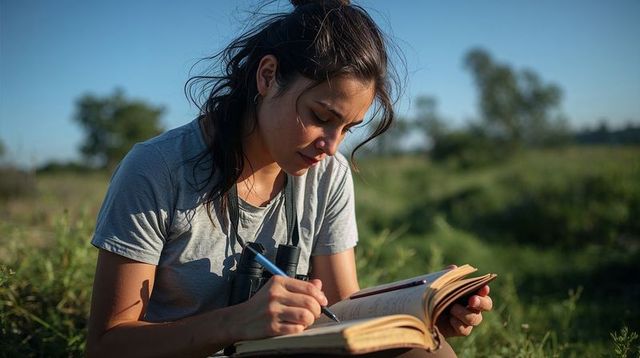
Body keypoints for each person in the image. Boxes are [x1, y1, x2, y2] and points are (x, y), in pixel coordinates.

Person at [86, 1, 493, 357]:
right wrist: (236, 323)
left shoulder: (328, 174)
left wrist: (425, 315)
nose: (331, 147)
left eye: (348, 128)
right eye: (321, 117)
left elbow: (340, 309)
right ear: (267, 76)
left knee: (426, 352)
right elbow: (106, 347)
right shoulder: (157, 169)